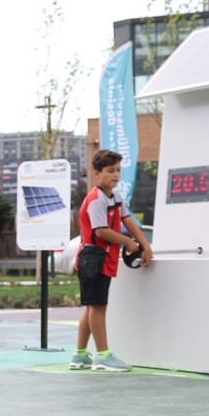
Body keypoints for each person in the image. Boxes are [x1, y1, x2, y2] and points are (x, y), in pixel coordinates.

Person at [70, 149, 152, 372]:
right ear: (97, 174)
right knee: (98, 306)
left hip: (101, 258)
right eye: (110, 171)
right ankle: (103, 355)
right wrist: (128, 242)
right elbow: (102, 231)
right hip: (92, 258)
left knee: (91, 306)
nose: (116, 175)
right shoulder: (96, 200)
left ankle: (80, 355)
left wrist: (145, 245)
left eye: (118, 170)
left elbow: (129, 220)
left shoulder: (115, 197)